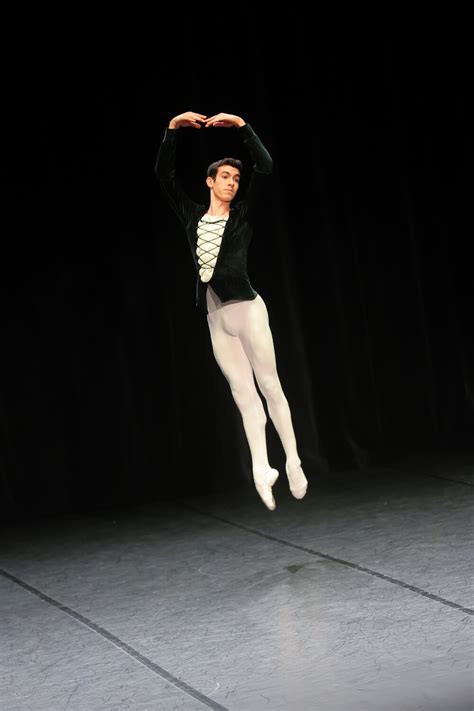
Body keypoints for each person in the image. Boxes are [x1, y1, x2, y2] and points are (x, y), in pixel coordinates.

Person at [154, 111, 308, 510]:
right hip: (215, 318)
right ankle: (262, 468)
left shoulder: (241, 215)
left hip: (247, 309)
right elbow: (163, 175)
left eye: (236, 179)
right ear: (210, 181)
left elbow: (266, 166)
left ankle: (292, 459)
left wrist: (242, 125)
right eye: (225, 177)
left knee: (269, 385)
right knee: (243, 395)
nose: (232, 183)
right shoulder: (192, 216)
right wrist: (172, 129)